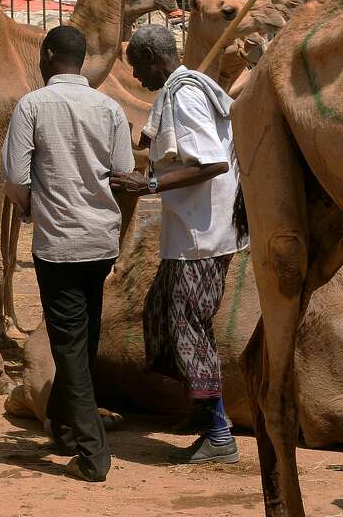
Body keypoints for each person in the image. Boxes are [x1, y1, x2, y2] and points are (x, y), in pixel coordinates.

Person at [2, 25, 134, 482]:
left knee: (70, 343)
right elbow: (123, 171)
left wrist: (26, 207)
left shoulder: (32, 106)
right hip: (101, 239)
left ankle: (92, 452)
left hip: (58, 243)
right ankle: (62, 424)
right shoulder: (109, 107)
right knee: (84, 335)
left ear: (48, 55)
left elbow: (16, 179)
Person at [112, 23, 243, 464]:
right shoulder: (178, 90)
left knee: (188, 324)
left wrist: (149, 184)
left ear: (151, 58)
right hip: (190, 228)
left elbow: (211, 162)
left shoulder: (184, 94)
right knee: (159, 313)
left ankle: (219, 431)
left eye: (136, 68)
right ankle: (202, 407)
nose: (135, 79)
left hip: (202, 233)